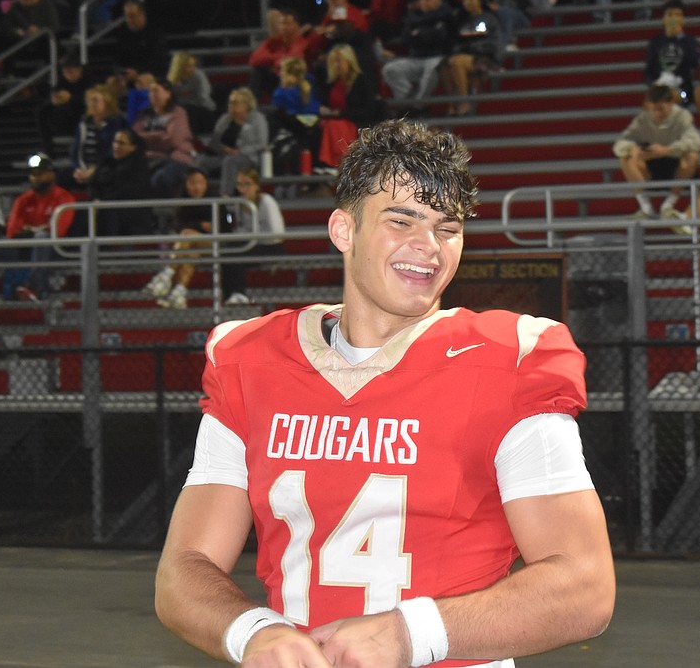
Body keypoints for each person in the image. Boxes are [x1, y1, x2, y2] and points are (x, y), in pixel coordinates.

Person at [154, 119, 615, 666]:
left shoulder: (509, 360)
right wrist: (253, 631)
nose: (429, 247)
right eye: (402, 221)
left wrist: (407, 634)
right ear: (343, 230)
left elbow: (585, 588)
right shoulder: (250, 359)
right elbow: (183, 567)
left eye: (449, 229)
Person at [613, 83, 700, 225]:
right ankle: (645, 207)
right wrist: (632, 148)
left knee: (692, 156)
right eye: (653, 109)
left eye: (661, 109)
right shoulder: (642, 119)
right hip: (651, 167)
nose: (657, 113)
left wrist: (667, 150)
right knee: (626, 157)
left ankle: (668, 205)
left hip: (675, 165)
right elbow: (619, 143)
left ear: (671, 103)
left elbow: (696, 143)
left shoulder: (682, 116)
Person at [0, 153, 77, 301]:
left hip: (54, 250)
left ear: (51, 175)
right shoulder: (23, 200)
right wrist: (39, 228)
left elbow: (57, 230)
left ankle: (34, 287)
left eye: (40, 174)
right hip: (24, 247)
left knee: (42, 238)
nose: (35, 178)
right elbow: (12, 230)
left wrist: (30, 229)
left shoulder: (64, 197)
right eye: (32, 174)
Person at [143, 167, 217, 309]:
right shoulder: (182, 202)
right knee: (191, 254)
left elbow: (223, 227)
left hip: (213, 244)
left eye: (200, 182)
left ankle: (167, 275)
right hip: (189, 246)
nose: (197, 187)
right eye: (192, 183)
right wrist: (201, 225)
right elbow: (178, 225)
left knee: (187, 235)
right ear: (186, 184)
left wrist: (197, 227)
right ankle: (178, 294)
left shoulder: (215, 200)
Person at [382, 0, 454, 113]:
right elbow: (406, 38)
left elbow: (439, 37)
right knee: (390, 69)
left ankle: (417, 107)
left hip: (437, 57)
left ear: (437, 0)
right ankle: (405, 101)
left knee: (433, 69)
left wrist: (419, 33)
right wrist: (425, 34)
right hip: (415, 58)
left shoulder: (446, 15)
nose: (424, 2)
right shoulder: (413, 17)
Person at [220, 168, 286, 305]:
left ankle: (239, 293)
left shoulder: (266, 201)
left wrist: (252, 238)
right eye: (239, 184)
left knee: (236, 252)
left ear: (256, 186)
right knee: (228, 251)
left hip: (271, 245)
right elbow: (241, 228)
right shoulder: (240, 203)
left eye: (247, 184)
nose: (242, 189)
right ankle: (229, 295)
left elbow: (277, 232)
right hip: (249, 244)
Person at [440, 0, 504, 116]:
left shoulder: (489, 19)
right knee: (444, 64)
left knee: (457, 62)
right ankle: (454, 104)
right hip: (466, 55)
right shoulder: (462, 21)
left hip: (485, 58)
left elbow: (493, 43)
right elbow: (455, 41)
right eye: (464, 0)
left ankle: (464, 102)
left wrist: (470, 48)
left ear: (479, 0)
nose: (467, 2)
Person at [82, 128, 155, 237]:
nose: (116, 146)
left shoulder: (139, 167)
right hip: (104, 208)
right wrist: (96, 198)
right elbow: (94, 184)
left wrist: (103, 202)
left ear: (133, 147)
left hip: (129, 214)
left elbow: (128, 191)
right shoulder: (107, 163)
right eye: (115, 142)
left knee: (110, 216)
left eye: (121, 143)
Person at [317, 44, 377, 171]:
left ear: (349, 61)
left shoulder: (361, 81)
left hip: (355, 121)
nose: (336, 65)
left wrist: (339, 114)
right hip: (332, 120)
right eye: (333, 61)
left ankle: (340, 162)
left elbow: (368, 109)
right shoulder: (331, 83)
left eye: (339, 61)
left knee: (334, 125)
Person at [132, 78, 196, 197]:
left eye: (156, 91)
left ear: (168, 93)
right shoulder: (143, 115)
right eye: (150, 92)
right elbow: (134, 138)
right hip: (148, 160)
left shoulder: (178, 113)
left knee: (161, 178)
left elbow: (172, 140)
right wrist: (161, 135)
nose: (152, 95)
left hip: (174, 159)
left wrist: (146, 138)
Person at [203, 87, 269, 197]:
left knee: (230, 161)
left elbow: (262, 143)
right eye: (230, 102)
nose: (231, 105)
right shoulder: (225, 119)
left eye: (235, 102)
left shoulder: (257, 118)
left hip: (249, 157)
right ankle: (204, 194)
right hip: (224, 155)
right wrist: (223, 149)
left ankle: (226, 195)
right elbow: (214, 141)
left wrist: (240, 151)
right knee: (202, 162)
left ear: (247, 104)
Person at [68, 84, 127, 192]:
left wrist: (95, 169)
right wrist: (78, 169)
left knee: (103, 175)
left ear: (106, 102)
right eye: (90, 101)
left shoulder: (116, 123)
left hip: (108, 166)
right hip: (85, 167)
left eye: (95, 100)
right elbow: (75, 151)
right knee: (64, 176)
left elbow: (112, 152)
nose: (92, 104)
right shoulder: (84, 124)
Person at [642, 0, 700, 104]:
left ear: (683, 19)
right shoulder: (656, 42)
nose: (674, 18)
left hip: (684, 91)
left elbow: (694, 63)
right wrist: (654, 83)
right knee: (650, 99)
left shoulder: (690, 41)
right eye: (670, 15)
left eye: (678, 15)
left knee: (673, 96)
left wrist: (678, 38)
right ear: (663, 19)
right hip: (660, 87)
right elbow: (648, 71)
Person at [248, 9, 313, 102]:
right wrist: (277, 58)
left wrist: (273, 59)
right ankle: (249, 107)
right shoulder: (274, 41)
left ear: (297, 25)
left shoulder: (301, 42)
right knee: (257, 71)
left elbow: (292, 60)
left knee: (289, 72)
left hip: (296, 82)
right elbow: (254, 59)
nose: (284, 27)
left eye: (287, 23)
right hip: (276, 78)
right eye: (282, 24)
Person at [36, 52, 88, 155]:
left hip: (81, 114)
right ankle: (48, 147)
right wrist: (54, 100)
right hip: (63, 117)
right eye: (65, 72)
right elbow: (54, 93)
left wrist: (71, 98)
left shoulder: (88, 81)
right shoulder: (62, 82)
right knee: (42, 110)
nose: (67, 75)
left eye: (70, 71)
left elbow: (88, 100)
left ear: (79, 69)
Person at [168, 51, 216, 135]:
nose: (193, 68)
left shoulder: (199, 76)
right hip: (181, 111)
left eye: (194, 65)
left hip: (202, 109)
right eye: (189, 66)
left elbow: (203, 98)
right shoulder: (172, 80)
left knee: (189, 113)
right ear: (180, 67)